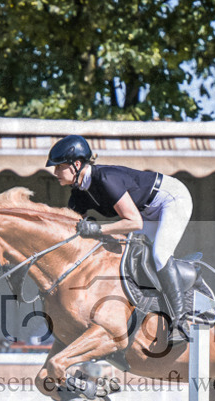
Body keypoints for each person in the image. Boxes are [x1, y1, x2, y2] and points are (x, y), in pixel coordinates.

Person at [46, 134, 195, 342]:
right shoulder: (79, 193)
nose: (55, 172)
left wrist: (97, 229)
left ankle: (181, 321)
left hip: (170, 199)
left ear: (76, 165)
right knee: (133, 257)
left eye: (59, 166)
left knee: (160, 255)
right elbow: (70, 230)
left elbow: (134, 223)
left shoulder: (105, 179)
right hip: (146, 211)